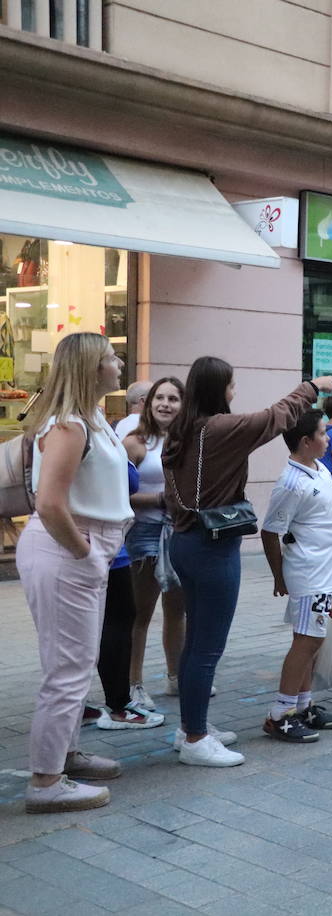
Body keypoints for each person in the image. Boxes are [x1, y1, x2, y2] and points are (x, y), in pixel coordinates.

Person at [163, 357, 332, 767]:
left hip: (185, 542)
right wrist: (313, 387)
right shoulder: (219, 429)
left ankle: (191, 724)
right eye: (232, 384)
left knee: (195, 644)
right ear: (217, 388)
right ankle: (195, 737)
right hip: (211, 547)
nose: (234, 391)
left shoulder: (184, 430)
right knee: (207, 647)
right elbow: (278, 417)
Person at [19, 333, 134, 813]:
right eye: (110, 357)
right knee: (67, 670)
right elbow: (48, 503)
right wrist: (85, 553)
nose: (118, 362)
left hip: (83, 551)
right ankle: (46, 781)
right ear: (91, 369)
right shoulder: (70, 426)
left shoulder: (91, 419)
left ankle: (64, 756)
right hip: (70, 552)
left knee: (74, 662)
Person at [260, 409, 332, 743]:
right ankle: (279, 714)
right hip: (310, 575)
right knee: (306, 640)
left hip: (328, 574)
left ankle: (302, 704)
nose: (328, 439)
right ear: (305, 441)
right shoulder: (291, 483)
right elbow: (270, 531)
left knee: (315, 639)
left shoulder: (319, 468)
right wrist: (278, 576)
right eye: (323, 434)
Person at [122, 376, 186, 710]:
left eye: (173, 399)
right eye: (159, 398)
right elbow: (119, 495)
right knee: (141, 613)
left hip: (181, 532)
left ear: (182, 405)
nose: (165, 404)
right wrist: (160, 500)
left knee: (177, 610)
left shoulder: (189, 441)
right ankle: (134, 684)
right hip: (145, 533)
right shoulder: (135, 443)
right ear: (148, 404)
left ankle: (176, 677)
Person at [94, 459, 165, 732]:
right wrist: (83, 549)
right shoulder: (73, 430)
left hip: (113, 545)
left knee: (121, 619)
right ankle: (116, 706)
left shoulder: (100, 432)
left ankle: (118, 703)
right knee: (98, 629)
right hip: (93, 546)